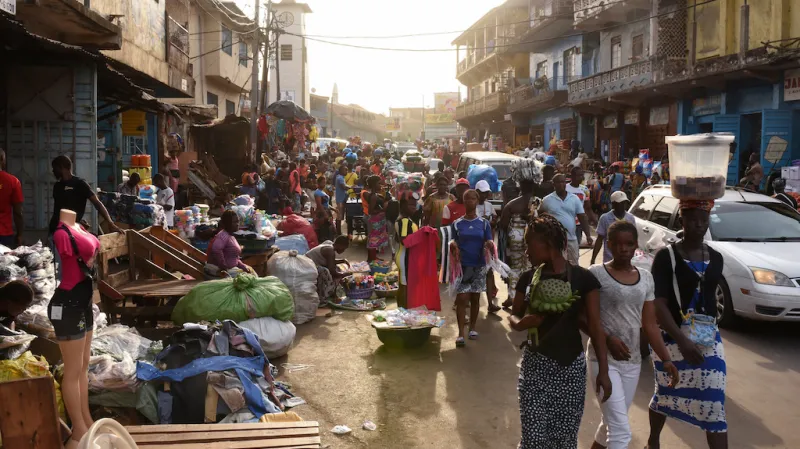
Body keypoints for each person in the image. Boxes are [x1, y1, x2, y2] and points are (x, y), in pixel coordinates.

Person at [507, 214, 611, 449]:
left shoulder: (584, 279)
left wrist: (603, 371)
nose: (526, 252)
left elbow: (595, 325)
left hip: (571, 369)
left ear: (548, 244)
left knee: (564, 440)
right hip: (535, 368)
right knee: (534, 439)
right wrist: (521, 324)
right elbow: (514, 316)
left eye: (529, 245)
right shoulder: (527, 279)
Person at [588, 221, 679, 449]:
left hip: (632, 361)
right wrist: (608, 338)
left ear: (636, 245)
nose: (623, 249)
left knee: (609, 425)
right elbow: (586, 319)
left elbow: (649, 324)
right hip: (602, 360)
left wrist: (666, 359)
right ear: (609, 245)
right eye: (617, 244)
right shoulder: (596, 275)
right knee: (620, 432)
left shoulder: (646, 278)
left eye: (629, 243)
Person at [646, 200, 728, 449]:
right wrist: (682, 341)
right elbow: (659, 304)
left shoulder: (715, 257)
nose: (700, 226)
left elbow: (710, 297)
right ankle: (653, 440)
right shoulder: (666, 257)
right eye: (694, 220)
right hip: (671, 336)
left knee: (714, 398)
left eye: (704, 220)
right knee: (666, 391)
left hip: (706, 336)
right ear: (682, 220)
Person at [49, 208, 100, 447]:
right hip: (67, 304)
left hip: (84, 300)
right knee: (72, 369)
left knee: (84, 366)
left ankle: (86, 420)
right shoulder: (61, 233)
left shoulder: (78, 226)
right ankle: (78, 429)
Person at [449, 189, 495, 347]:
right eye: (466, 199)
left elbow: (489, 239)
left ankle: (473, 328)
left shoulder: (484, 223)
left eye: (473, 199)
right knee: (462, 299)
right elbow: (452, 241)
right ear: (463, 201)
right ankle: (461, 333)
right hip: (464, 267)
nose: (470, 201)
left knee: (475, 298)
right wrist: (453, 246)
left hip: (479, 265)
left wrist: (489, 245)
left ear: (477, 201)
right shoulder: (457, 223)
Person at [50, 155, 121, 235]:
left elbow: (97, 203)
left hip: (72, 232)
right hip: (55, 229)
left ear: (62, 167)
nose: (53, 171)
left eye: (54, 168)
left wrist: (110, 222)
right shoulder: (57, 186)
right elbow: (59, 209)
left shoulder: (80, 184)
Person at [540, 173, 593, 265]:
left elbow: (582, 217)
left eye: (563, 182)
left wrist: (588, 235)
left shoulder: (574, 199)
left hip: (571, 239)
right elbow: (540, 217)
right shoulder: (546, 200)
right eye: (558, 182)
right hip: (554, 240)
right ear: (554, 184)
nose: (561, 184)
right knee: (556, 264)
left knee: (573, 265)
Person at [592, 191, 637, 265]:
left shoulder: (630, 218)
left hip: (626, 260)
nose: (623, 205)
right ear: (613, 204)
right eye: (620, 203)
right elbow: (599, 239)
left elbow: (633, 240)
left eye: (624, 203)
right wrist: (593, 259)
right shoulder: (605, 218)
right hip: (609, 260)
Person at [475, 180, 499, 311]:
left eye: (486, 193)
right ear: (477, 192)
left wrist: (491, 220)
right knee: (474, 274)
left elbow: (495, 219)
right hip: (474, 246)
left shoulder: (489, 205)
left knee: (489, 272)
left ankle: (490, 304)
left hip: (487, 245)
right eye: (482, 192)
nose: (484, 195)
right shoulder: (471, 205)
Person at [305, 236, 350, 303]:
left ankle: (331, 292)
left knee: (336, 268)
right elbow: (332, 271)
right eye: (344, 248)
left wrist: (342, 261)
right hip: (306, 266)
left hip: (309, 263)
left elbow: (329, 261)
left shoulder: (329, 244)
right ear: (340, 245)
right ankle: (323, 296)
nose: (343, 250)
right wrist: (344, 274)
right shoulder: (330, 250)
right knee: (326, 272)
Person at [394, 192, 419, 309]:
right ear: (403, 205)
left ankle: (401, 309)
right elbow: (404, 240)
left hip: (402, 255)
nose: (414, 208)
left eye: (415, 205)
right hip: (405, 256)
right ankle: (404, 311)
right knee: (405, 285)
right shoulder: (405, 221)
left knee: (403, 284)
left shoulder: (403, 219)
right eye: (411, 205)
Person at [0, 149, 24, 248]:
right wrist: (19, 234)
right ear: (2, 159)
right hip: (4, 234)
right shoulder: (13, 181)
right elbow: (18, 212)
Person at [566, 166, 594, 246]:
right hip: (566, 224)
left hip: (578, 225)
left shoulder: (584, 189)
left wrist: (595, 222)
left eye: (582, 175)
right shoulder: (565, 188)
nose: (581, 177)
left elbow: (587, 208)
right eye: (579, 175)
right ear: (572, 176)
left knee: (576, 248)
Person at [366, 175, 389, 261]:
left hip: (378, 220)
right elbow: (370, 211)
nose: (380, 185)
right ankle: (372, 259)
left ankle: (373, 257)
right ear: (374, 184)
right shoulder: (374, 196)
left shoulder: (376, 195)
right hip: (375, 221)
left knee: (375, 239)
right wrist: (383, 209)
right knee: (373, 239)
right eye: (379, 183)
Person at [313, 175, 334, 242]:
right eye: (322, 182)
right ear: (318, 183)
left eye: (324, 182)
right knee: (324, 230)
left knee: (329, 230)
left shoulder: (323, 192)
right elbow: (319, 205)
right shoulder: (317, 192)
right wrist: (325, 214)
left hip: (326, 212)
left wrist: (334, 209)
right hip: (322, 213)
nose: (324, 184)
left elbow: (327, 204)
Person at [334, 165, 349, 236]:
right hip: (340, 199)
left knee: (340, 216)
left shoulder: (341, 177)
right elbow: (344, 187)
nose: (346, 171)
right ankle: (338, 232)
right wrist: (352, 187)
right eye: (345, 170)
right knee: (339, 216)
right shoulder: (340, 178)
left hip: (341, 198)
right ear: (341, 171)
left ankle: (338, 232)